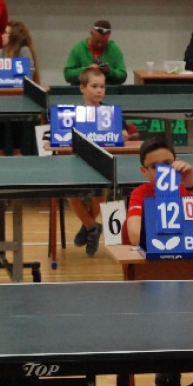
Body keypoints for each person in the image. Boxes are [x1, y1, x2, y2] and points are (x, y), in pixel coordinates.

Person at [122, 138, 193, 386]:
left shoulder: (188, 189)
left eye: (168, 163)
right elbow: (134, 234)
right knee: (170, 317)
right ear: (144, 171)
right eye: (155, 166)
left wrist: (191, 183)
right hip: (156, 282)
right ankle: (166, 378)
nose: (163, 170)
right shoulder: (142, 193)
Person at [67, 67, 138, 256]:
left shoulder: (111, 113)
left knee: (100, 191)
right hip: (78, 165)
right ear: (82, 88)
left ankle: (88, 226)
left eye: (102, 87)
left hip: (103, 165)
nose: (99, 90)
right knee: (70, 193)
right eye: (94, 86)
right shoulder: (72, 114)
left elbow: (125, 133)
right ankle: (92, 226)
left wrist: (124, 134)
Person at [0, 20, 40, 156]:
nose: (2, 36)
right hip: (0, 98)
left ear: (14, 37)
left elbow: (29, 74)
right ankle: (0, 154)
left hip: (19, 98)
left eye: (6, 33)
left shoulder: (24, 51)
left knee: (16, 115)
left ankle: (17, 152)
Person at [64, 19, 127, 85]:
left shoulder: (114, 50)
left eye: (104, 42)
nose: (100, 45)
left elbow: (123, 76)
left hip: (109, 89)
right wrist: (87, 70)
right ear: (91, 33)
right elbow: (68, 75)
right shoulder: (78, 49)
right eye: (97, 41)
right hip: (82, 90)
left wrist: (109, 71)